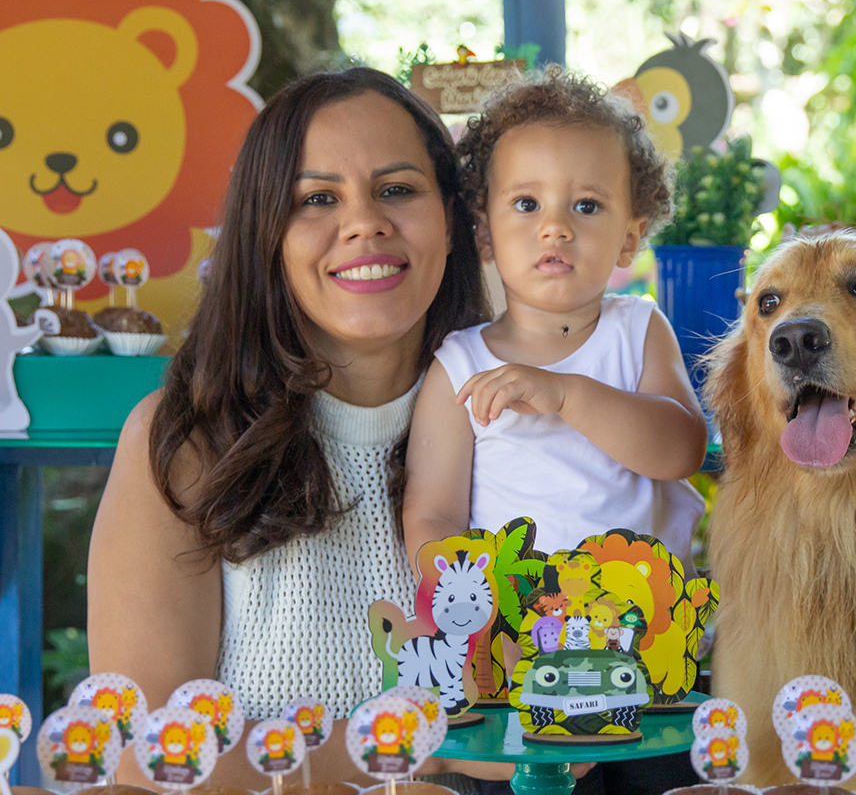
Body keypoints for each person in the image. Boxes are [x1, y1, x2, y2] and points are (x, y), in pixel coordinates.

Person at [87, 67, 591, 791]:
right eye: (317, 199)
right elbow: (143, 758)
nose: (365, 224)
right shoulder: (186, 443)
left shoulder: (532, 421)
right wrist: (426, 747)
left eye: (397, 190)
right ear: (267, 234)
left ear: (455, 219)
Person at [403, 69, 709, 577]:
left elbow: (682, 450)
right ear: (484, 232)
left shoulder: (637, 330)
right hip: (515, 641)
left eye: (586, 206)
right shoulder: (461, 366)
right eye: (527, 204)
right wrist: (467, 613)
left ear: (629, 239)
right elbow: (434, 514)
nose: (556, 227)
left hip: (641, 634)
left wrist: (567, 396)